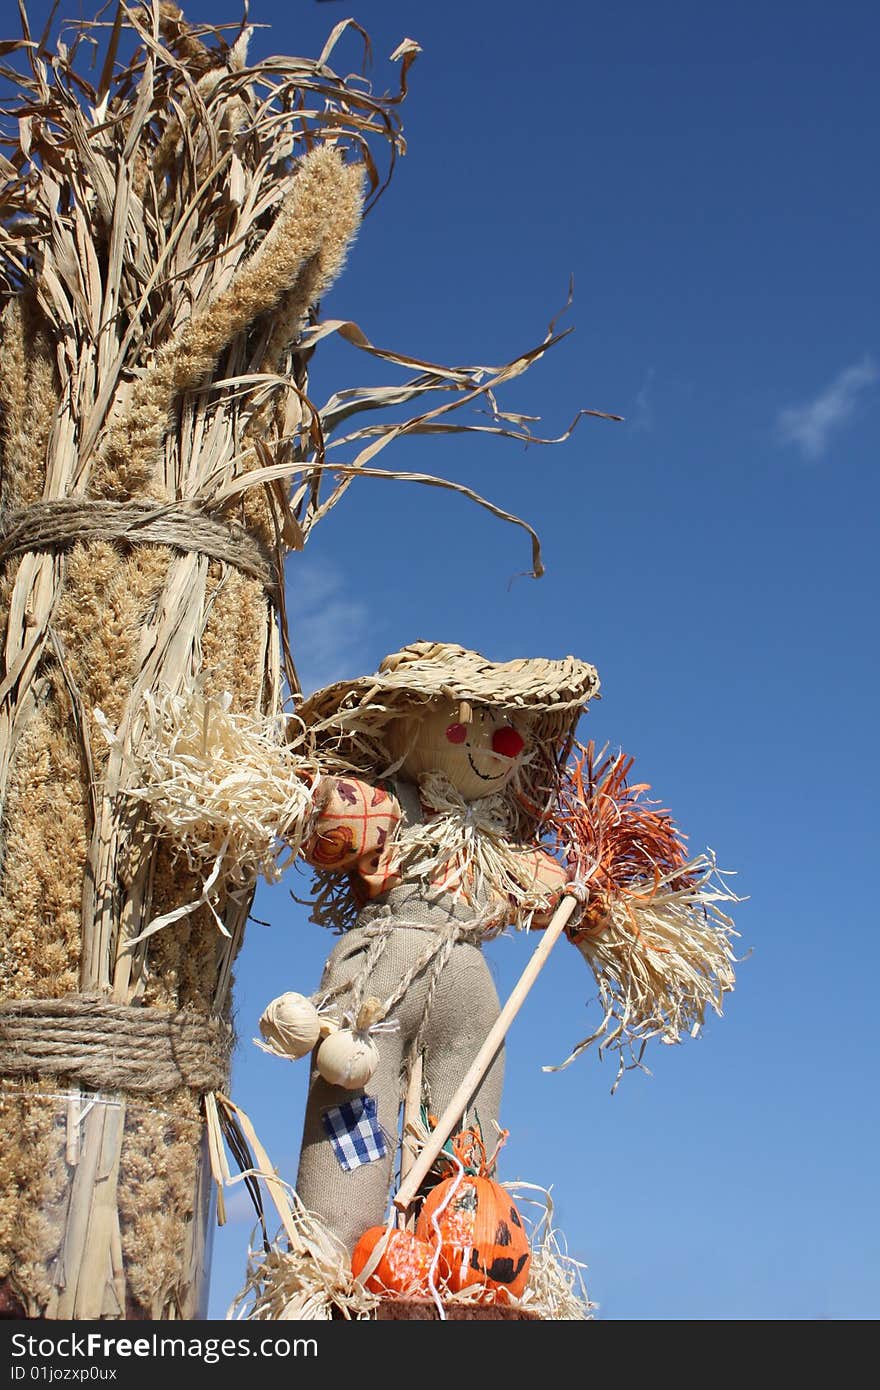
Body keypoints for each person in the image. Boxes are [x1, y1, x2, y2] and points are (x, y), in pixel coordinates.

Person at [289, 640, 600, 1255]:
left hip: (468, 982)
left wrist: (579, 900)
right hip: (385, 970)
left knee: (466, 1128)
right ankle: (329, 1260)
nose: (503, 744)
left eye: (512, 726)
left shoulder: (494, 841)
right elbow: (332, 821)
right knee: (356, 1095)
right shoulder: (392, 810)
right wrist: (314, 805)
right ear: (407, 725)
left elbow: (542, 886)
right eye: (473, 721)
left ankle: (452, 1259)